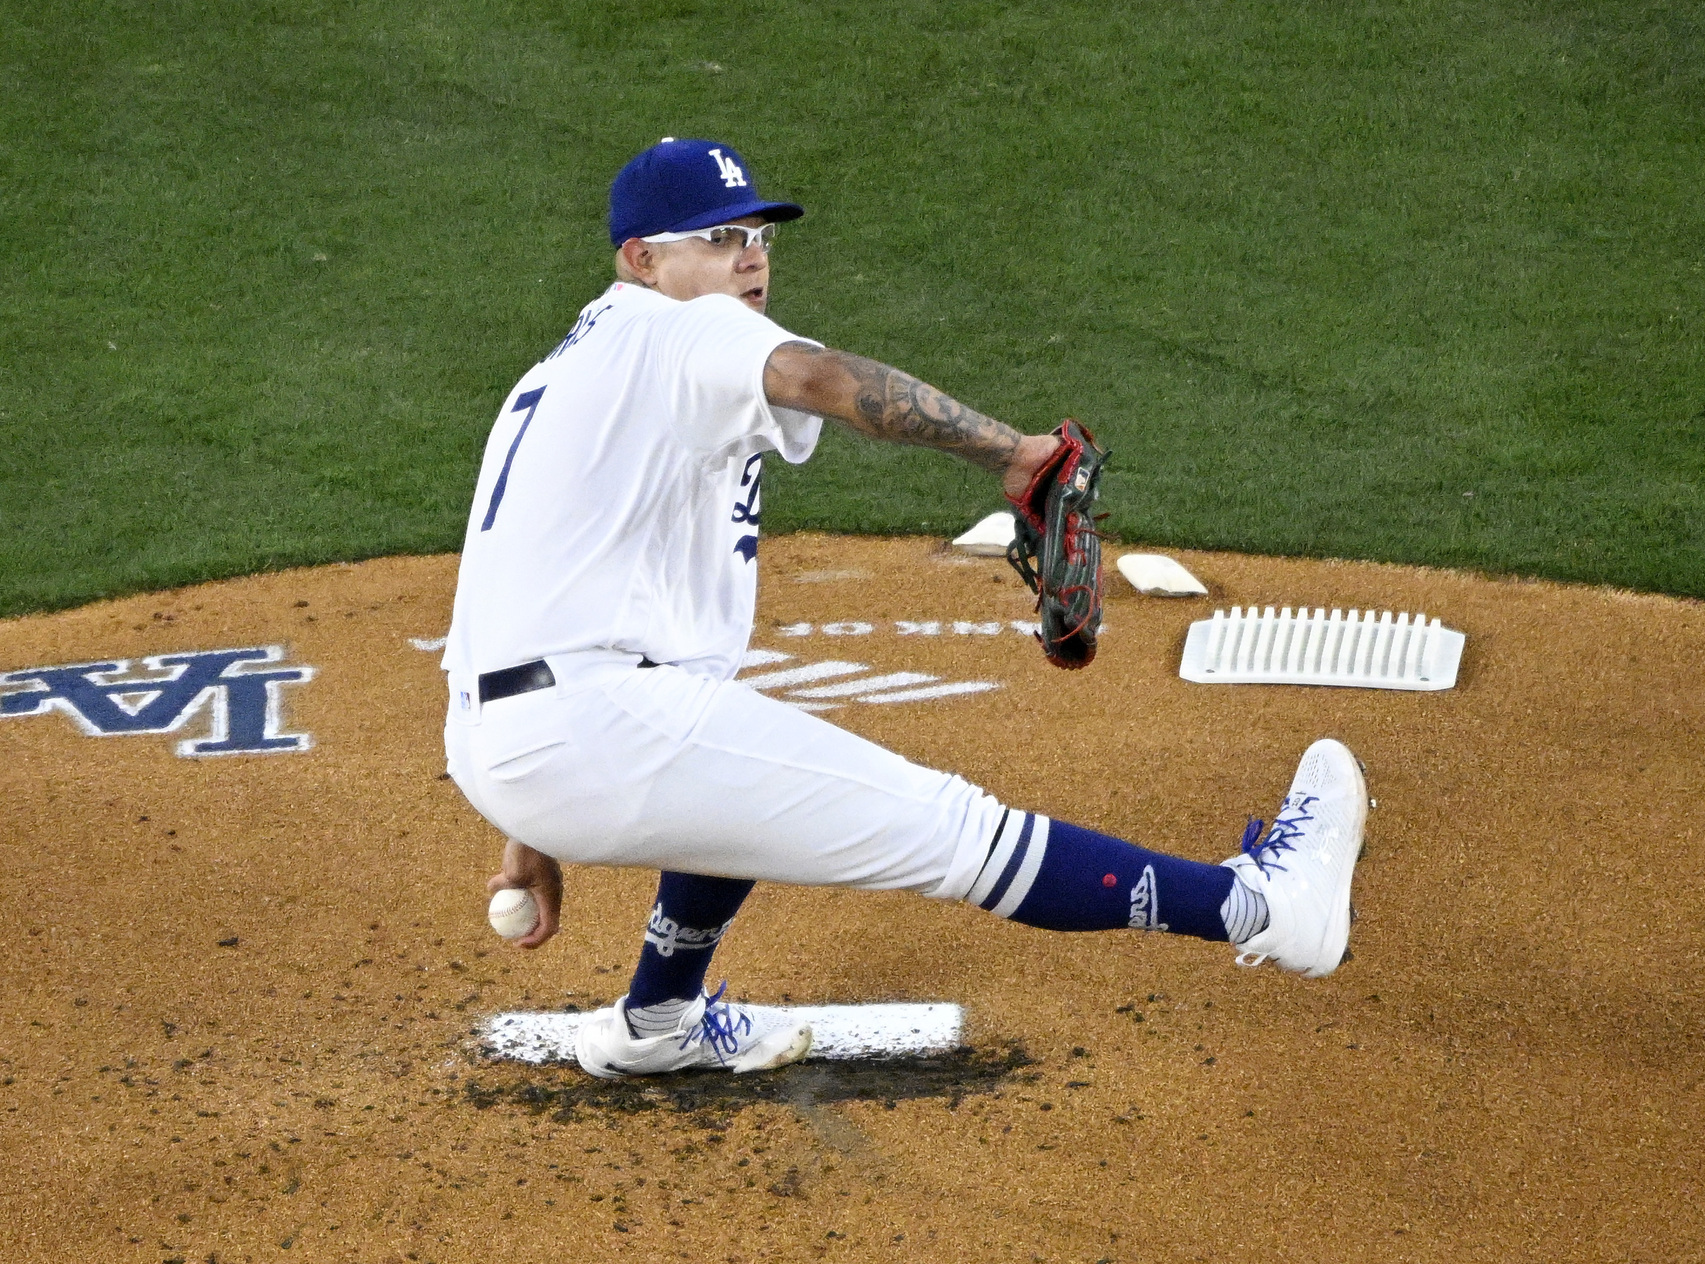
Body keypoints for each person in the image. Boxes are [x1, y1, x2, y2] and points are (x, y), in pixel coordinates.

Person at [440, 138, 1369, 1079]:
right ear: (642, 259)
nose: (750, 257)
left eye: (758, 234)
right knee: (955, 830)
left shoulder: (571, 368)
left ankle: (658, 1020)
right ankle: (1267, 909)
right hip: (587, 729)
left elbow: (528, 594)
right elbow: (818, 377)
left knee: (731, 759)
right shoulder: (683, 330)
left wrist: (529, 826)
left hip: (519, 736)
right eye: (719, 238)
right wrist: (1015, 455)